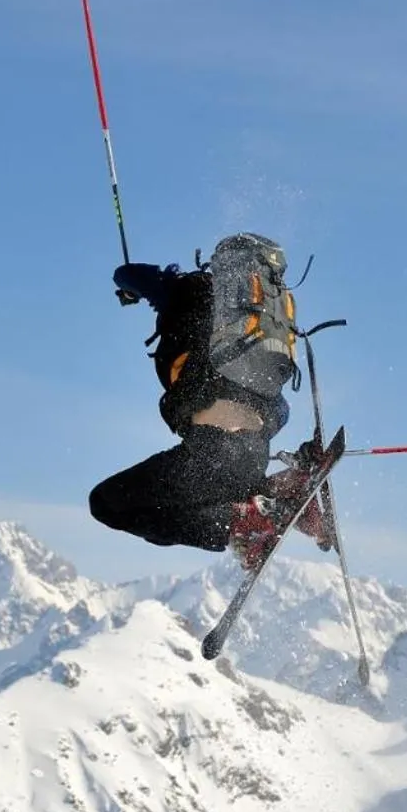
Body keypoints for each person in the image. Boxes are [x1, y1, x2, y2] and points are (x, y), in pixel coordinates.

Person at [88, 232, 334, 567]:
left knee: (107, 503)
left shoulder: (192, 290)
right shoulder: (262, 331)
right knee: (220, 489)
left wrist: (139, 287)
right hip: (252, 456)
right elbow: (280, 411)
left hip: (209, 457)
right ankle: (282, 492)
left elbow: (127, 273)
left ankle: (243, 527)